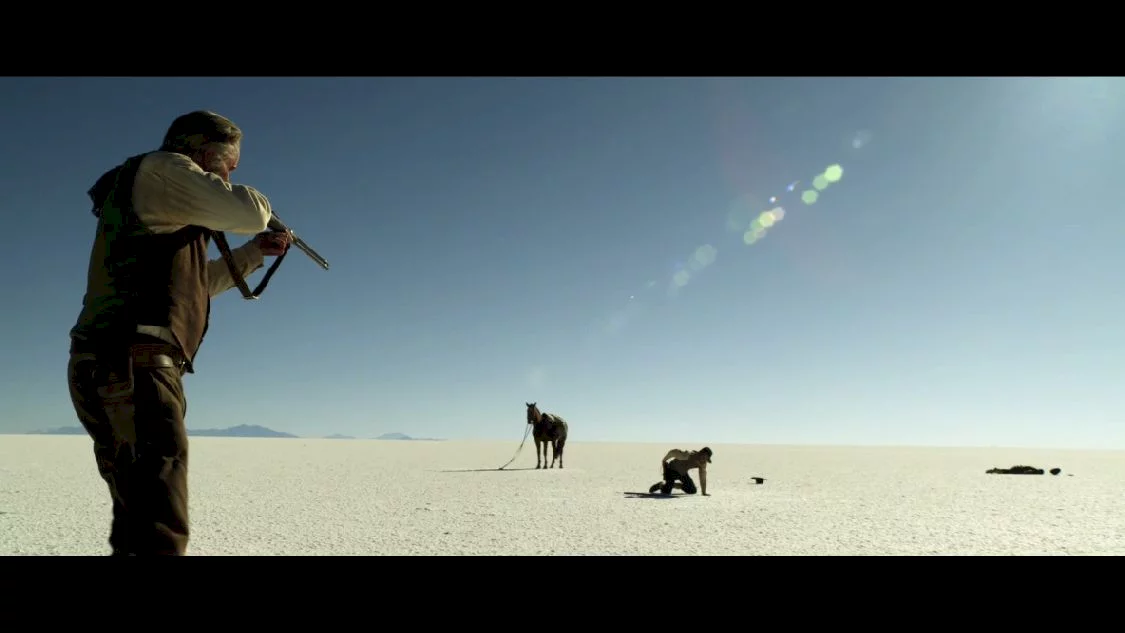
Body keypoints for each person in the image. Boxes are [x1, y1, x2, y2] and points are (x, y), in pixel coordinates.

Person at [66, 110, 290, 556]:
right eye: (229, 162)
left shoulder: (151, 196)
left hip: (111, 364)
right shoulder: (166, 167)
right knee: (158, 523)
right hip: (135, 363)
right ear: (204, 152)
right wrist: (265, 216)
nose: (232, 172)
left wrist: (251, 253)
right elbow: (244, 210)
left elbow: (193, 288)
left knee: (138, 521)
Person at [648, 447, 712, 496]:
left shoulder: (703, 464)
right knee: (666, 493)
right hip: (671, 470)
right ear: (699, 453)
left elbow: (703, 478)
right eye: (703, 457)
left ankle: (672, 485)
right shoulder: (687, 455)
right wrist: (664, 460)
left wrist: (704, 492)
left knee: (692, 490)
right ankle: (661, 485)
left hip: (683, 473)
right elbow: (673, 452)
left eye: (706, 459)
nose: (704, 460)